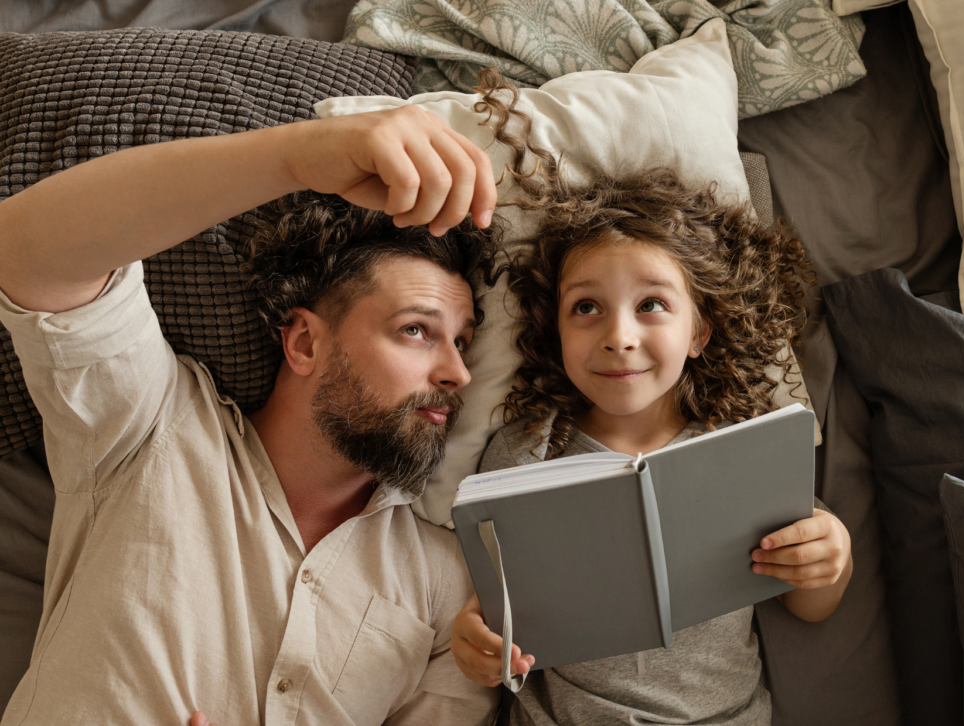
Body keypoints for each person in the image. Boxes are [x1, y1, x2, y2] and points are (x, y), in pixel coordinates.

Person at [0, 106, 503, 726]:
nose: (457, 373)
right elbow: (28, 251)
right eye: (417, 331)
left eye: (463, 340)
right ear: (305, 344)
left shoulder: (451, 589)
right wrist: (299, 157)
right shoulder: (151, 424)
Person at [449, 160, 854, 724]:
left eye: (651, 305)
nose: (619, 337)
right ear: (557, 331)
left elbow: (811, 606)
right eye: (586, 308)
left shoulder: (743, 452)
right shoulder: (525, 456)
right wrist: (477, 640)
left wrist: (832, 554)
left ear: (698, 332)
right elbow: (498, 612)